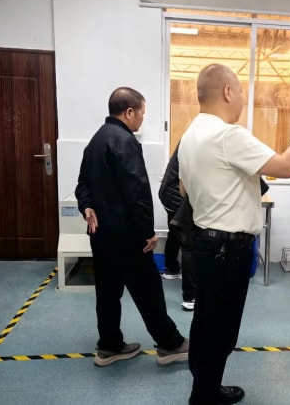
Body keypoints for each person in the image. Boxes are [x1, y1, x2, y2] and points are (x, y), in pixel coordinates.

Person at [178, 63, 290, 405]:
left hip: (205, 242)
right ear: (228, 92)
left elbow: (183, 189)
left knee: (206, 321)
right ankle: (203, 397)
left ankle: (205, 387)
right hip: (228, 249)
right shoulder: (228, 135)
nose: (242, 99)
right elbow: (286, 167)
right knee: (221, 328)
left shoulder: (190, 135)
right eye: (241, 91)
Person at [75, 87, 189, 367]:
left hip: (101, 235)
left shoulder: (95, 141)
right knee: (148, 290)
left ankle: (109, 346)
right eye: (142, 114)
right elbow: (137, 191)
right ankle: (170, 344)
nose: (142, 119)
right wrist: (148, 231)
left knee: (107, 293)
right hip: (127, 236)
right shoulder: (125, 141)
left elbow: (82, 183)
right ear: (129, 112)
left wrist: (86, 206)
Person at [159, 143, 197, 311]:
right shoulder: (195, 143)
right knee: (188, 243)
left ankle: (171, 269)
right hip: (175, 195)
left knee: (175, 232)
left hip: (168, 193)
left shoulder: (190, 139)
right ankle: (191, 297)